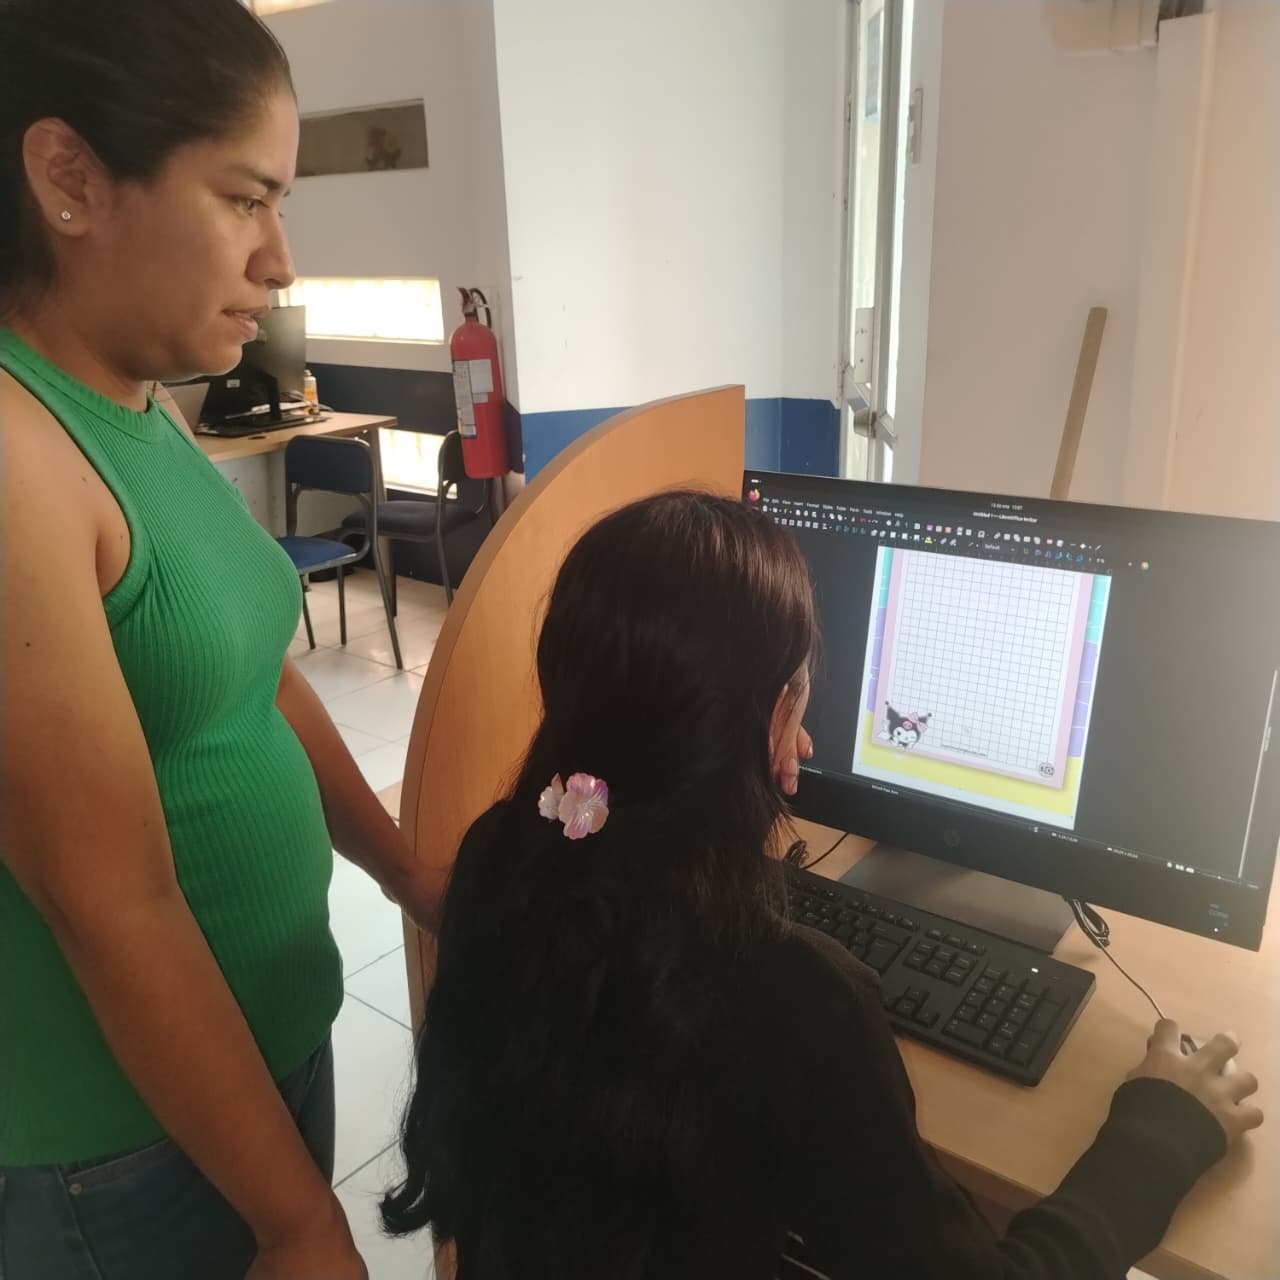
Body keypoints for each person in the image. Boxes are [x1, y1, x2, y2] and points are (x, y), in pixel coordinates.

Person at [380, 490, 1264, 1279]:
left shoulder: (504, 858)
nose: (806, 740)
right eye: (799, 697)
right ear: (774, 716)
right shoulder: (800, 1000)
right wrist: (1162, 1126)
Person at [0, 2, 444, 1277]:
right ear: (70, 179)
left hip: (257, 1050)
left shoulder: (138, 402)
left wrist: (404, 872)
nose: (281, 261)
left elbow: (257, 676)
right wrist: (297, 1216)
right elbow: (107, 902)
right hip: (123, 1139)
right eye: (246, 199)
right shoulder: (20, 454)